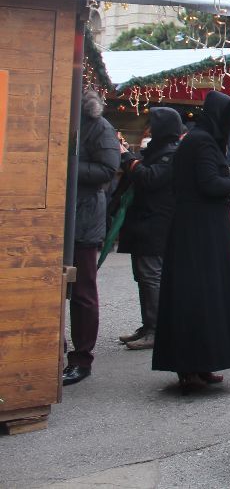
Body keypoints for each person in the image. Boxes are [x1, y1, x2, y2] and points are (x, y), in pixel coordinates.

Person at [153, 91, 230, 394]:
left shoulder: (198, 139)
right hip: (199, 233)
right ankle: (191, 364)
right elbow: (210, 183)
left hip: (197, 230)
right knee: (198, 297)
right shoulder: (203, 142)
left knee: (202, 298)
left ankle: (199, 364)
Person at [64, 89, 121, 386]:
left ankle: (82, 358)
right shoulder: (62, 117)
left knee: (83, 292)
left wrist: (67, 163)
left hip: (84, 217)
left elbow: (108, 169)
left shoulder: (99, 127)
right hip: (58, 216)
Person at [115, 106, 183, 351]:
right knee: (144, 277)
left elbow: (150, 178)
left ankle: (155, 330)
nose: (149, 127)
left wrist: (126, 156)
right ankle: (148, 326)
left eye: (153, 123)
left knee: (151, 277)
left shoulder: (171, 153)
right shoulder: (160, 150)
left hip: (155, 222)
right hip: (146, 222)